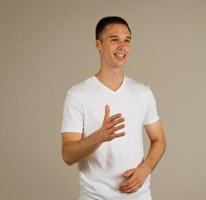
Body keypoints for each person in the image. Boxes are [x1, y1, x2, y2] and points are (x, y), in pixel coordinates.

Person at [60, 16, 166, 200]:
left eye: (127, 40)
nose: (122, 46)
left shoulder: (143, 92)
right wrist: (99, 137)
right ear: (98, 45)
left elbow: (159, 140)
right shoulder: (78, 95)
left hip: (139, 196)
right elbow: (68, 155)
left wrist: (146, 169)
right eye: (114, 39)